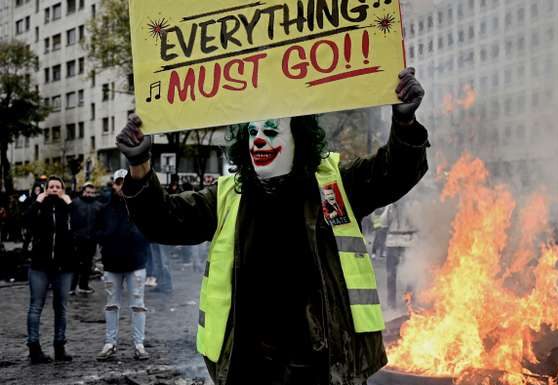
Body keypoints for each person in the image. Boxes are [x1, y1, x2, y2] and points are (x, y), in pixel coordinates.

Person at [116, 68, 427, 385]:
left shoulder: (336, 184)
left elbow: (394, 173)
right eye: (252, 133)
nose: (259, 140)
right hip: (249, 365)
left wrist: (404, 124)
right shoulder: (227, 196)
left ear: (299, 138)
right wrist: (140, 167)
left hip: (321, 361)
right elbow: (165, 222)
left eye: (271, 131)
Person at [95, 169, 150, 361]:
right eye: (118, 183)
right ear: (114, 185)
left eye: (124, 182)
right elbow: (97, 231)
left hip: (136, 262)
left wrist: (140, 243)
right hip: (112, 263)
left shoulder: (141, 207)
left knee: (138, 305)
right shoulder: (104, 209)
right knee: (111, 305)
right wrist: (107, 238)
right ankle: (110, 343)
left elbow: (149, 230)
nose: (121, 186)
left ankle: (139, 344)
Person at [25, 176, 75, 364]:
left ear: (62, 189)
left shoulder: (67, 207)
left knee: (61, 308)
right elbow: (25, 222)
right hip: (40, 265)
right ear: (45, 189)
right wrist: (37, 202)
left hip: (64, 266)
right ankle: (34, 348)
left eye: (57, 186)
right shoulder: (38, 207)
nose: (54, 189)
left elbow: (78, 226)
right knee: (36, 306)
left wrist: (70, 204)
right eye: (51, 186)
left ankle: (60, 346)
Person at [70, 182, 102, 294]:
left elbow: (100, 223)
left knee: (87, 264)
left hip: (91, 239)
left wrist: (98, 236)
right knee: (75, 263)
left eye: (92, 193)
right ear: (83, 192)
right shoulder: (75, 203)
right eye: (87, 192)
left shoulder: (98, 206)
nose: (89, 195)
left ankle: (83, 285)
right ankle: (71, 287)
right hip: (77, 239)